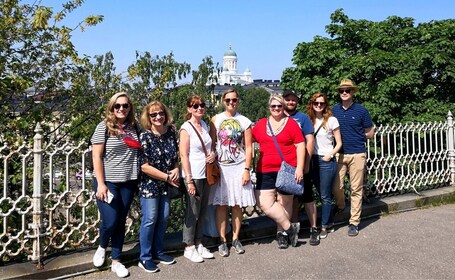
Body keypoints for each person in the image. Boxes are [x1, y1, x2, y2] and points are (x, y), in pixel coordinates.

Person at [91, 92, 141, 278]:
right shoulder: (103, 127)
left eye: (125, 106)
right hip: (108, 182)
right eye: (117, 106)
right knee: (110, 220)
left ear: (130, 108)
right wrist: (101, 184)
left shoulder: (133, 127)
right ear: (111, 108)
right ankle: (102, 245)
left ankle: (117, 260)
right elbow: (96, 156)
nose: (121, 109)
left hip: (128, 181)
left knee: (121, 220)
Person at [252, 94, 304, 249]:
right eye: (273, 106)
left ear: (283, 107)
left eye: (279, 106)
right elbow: (248, 141)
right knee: (265, 204)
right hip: (265, 170)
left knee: (285, 202)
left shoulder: (291, 124)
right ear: (269, 107)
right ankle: (290, 228)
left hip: (287, 169)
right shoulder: (261, 124)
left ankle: (282, 234)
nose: (276, 109)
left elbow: (300, 145)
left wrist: (300, 168)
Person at [209, 88, 256, 257]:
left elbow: (249, 147)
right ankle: (222, 240)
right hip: (221, 167)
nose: (231, 103)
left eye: (234, 100)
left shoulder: (244, 121)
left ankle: (235, 238)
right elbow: (212, 144)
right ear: (223, 101)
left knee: (236, 204)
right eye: (228, 100)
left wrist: (246, 169)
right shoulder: (216, 119)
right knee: (221, 204)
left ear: (238, 101)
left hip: (238, 165)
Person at [137, 101, 179, 273]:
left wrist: (176, 168)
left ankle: (159, 251)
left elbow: (175, 157)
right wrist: (167, 177)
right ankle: (145, 257)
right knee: (150, 219)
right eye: (153, 115)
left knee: (163, 217)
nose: (158, 117)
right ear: (148, 118)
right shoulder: (145, 137)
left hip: (166, 184)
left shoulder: (170, 133)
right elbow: (144, 166)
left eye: (160, 113)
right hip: (149, 185)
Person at [332, 79, 375, 237]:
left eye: (347, 90)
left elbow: (370, 132)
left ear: (352, 92)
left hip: (357, 153)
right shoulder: (334, 110)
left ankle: (354, 222)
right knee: (337, 186)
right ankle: (342, 205)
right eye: (341, 90)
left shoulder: (361, 111)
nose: (344, 93)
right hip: (340, 153)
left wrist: (358, 135)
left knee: (356, 189)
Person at [179, 95, 215, 263]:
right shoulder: (186, 128)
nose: (199, 108)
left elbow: (209, 147)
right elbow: (184, 155)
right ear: (189, 109)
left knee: (202, 211)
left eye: (202, 105)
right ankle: (189, 245)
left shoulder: (204, 125)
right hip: (193, 174)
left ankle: (199, 242)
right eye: (195, 106)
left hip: (206, 173)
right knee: (192, 211)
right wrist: (189, 180)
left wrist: (212, 154)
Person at [282, 90, 319, 246]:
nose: (291, 102)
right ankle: (292, 229)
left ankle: (314, 229)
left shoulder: (302, 118)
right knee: (289, 199)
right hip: (285, 165)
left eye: (293, 100)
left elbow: (310, 140)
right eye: (288, 100)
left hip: (301, 163)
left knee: (307, 197)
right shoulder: (279, 117)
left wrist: (305, 162)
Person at [306, 92, 342, 239]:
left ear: (326, 105)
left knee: (325, 195)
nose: (319, 106)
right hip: (312, 159)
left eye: (321, 103)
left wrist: (331, 155)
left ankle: (324, 226)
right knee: (320, 193)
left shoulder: (332, 120)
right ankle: (330, 222)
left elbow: (339, 143)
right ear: (312, 105)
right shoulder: (309, 120)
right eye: (316, 103)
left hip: (326, 160)